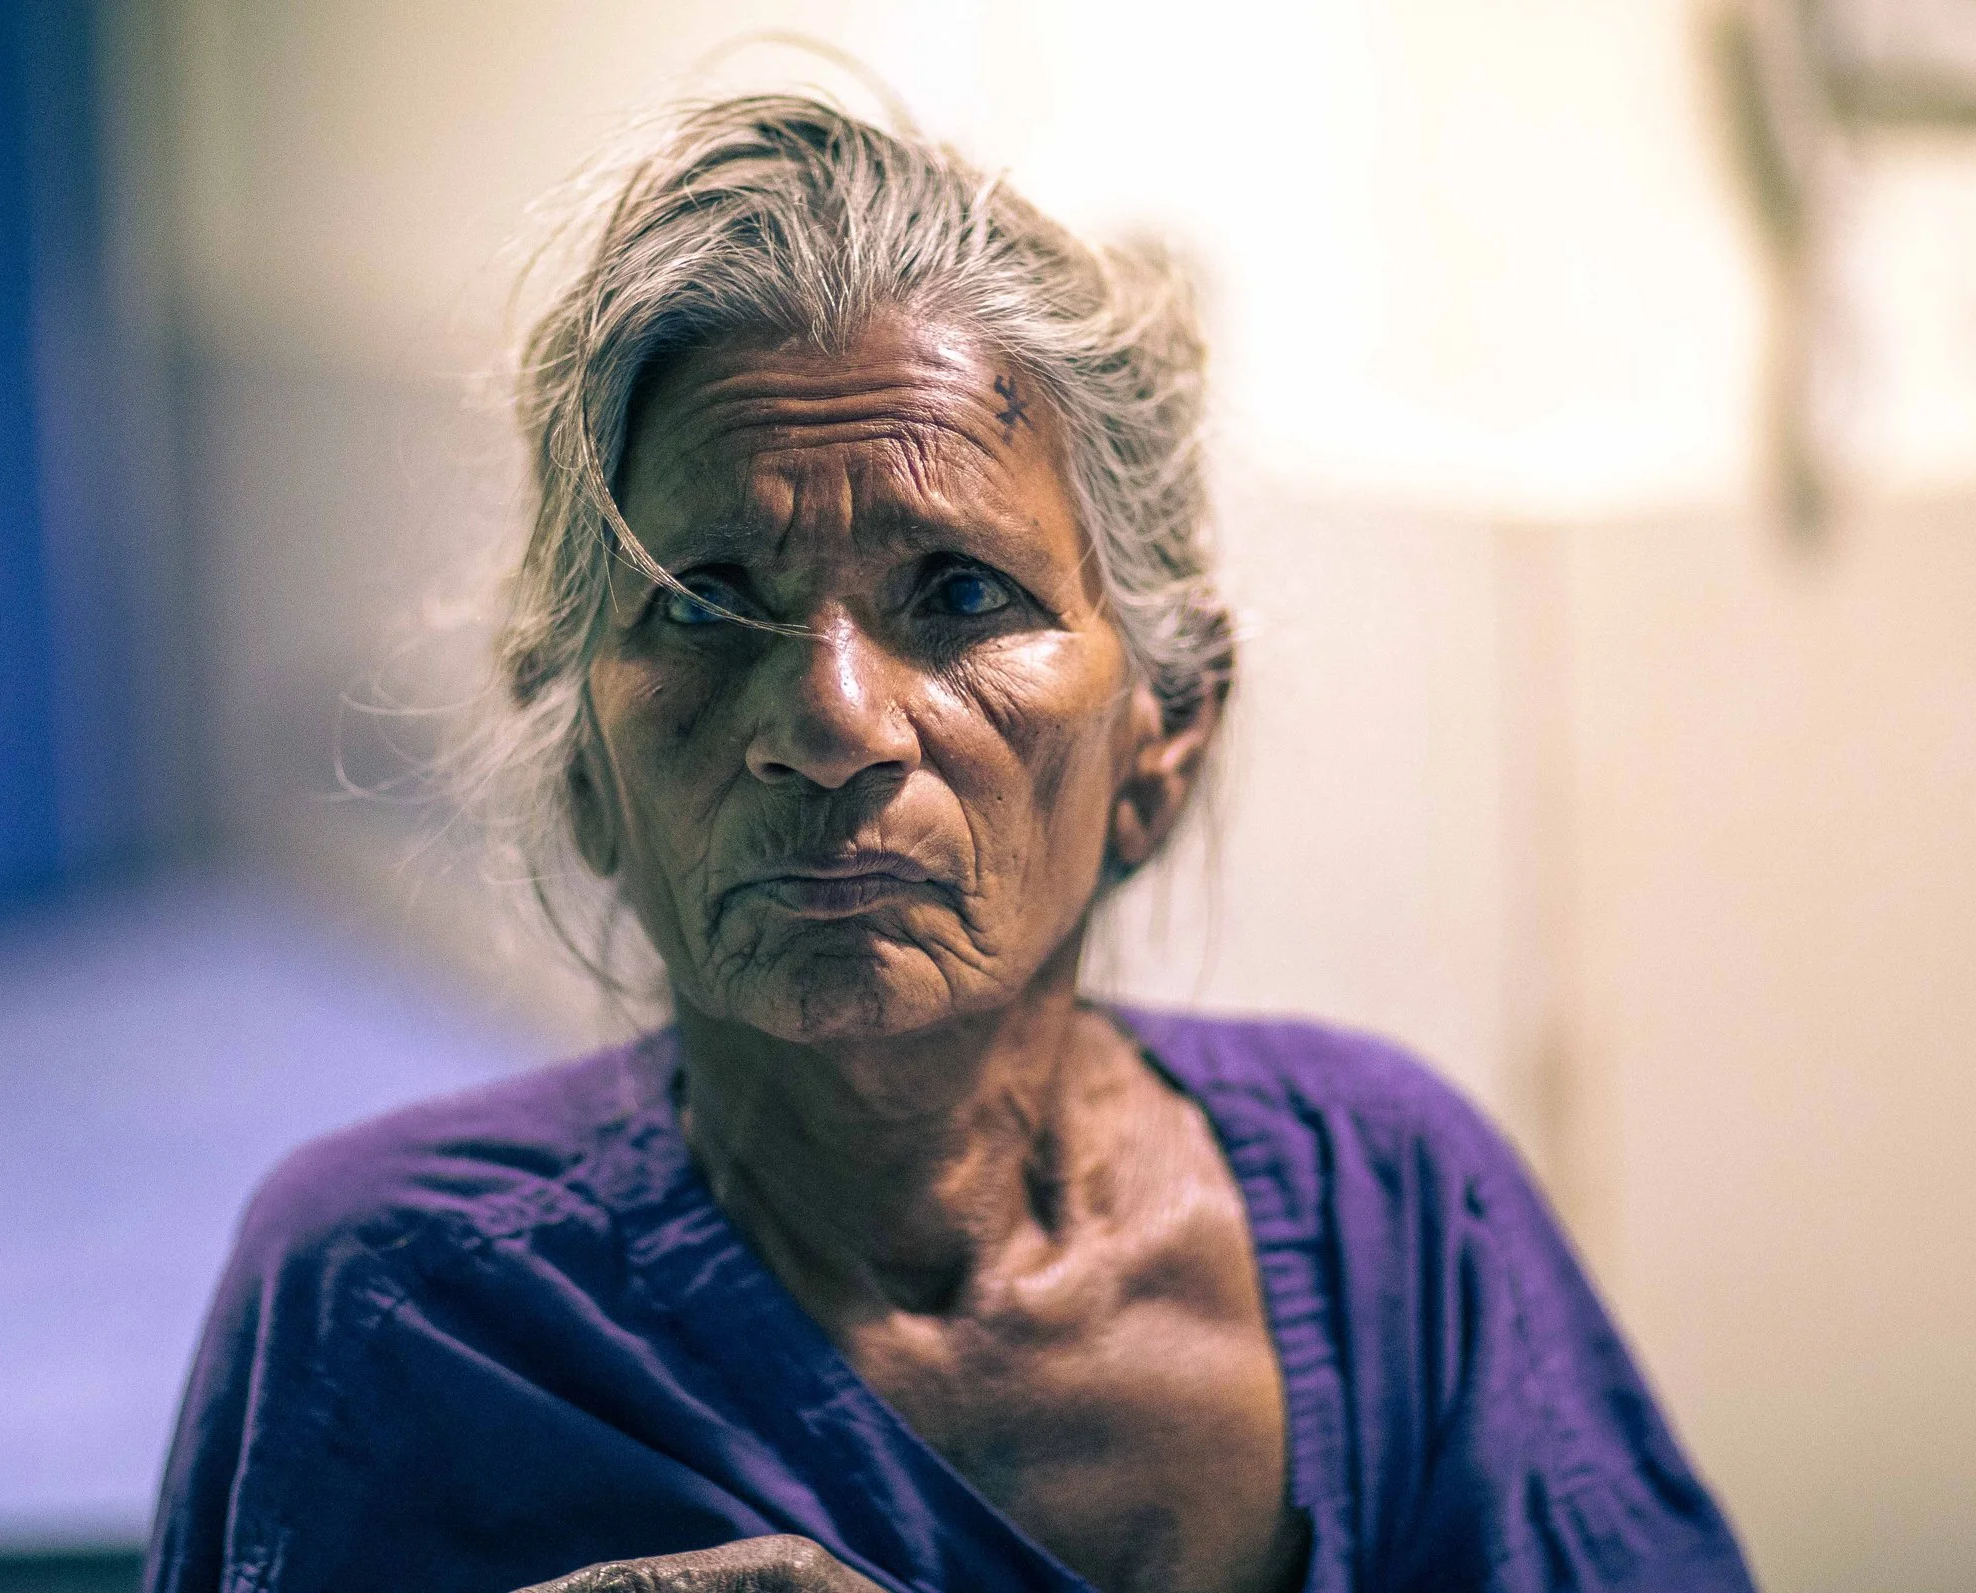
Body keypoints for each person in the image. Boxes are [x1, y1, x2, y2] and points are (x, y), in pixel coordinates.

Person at [145, 93, 1756, 1593]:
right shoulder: (401, 1308)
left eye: (961, 595)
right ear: (586, 764)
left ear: (1161, 738)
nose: (832, 720)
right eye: (705, 606)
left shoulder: (1394, 1219)